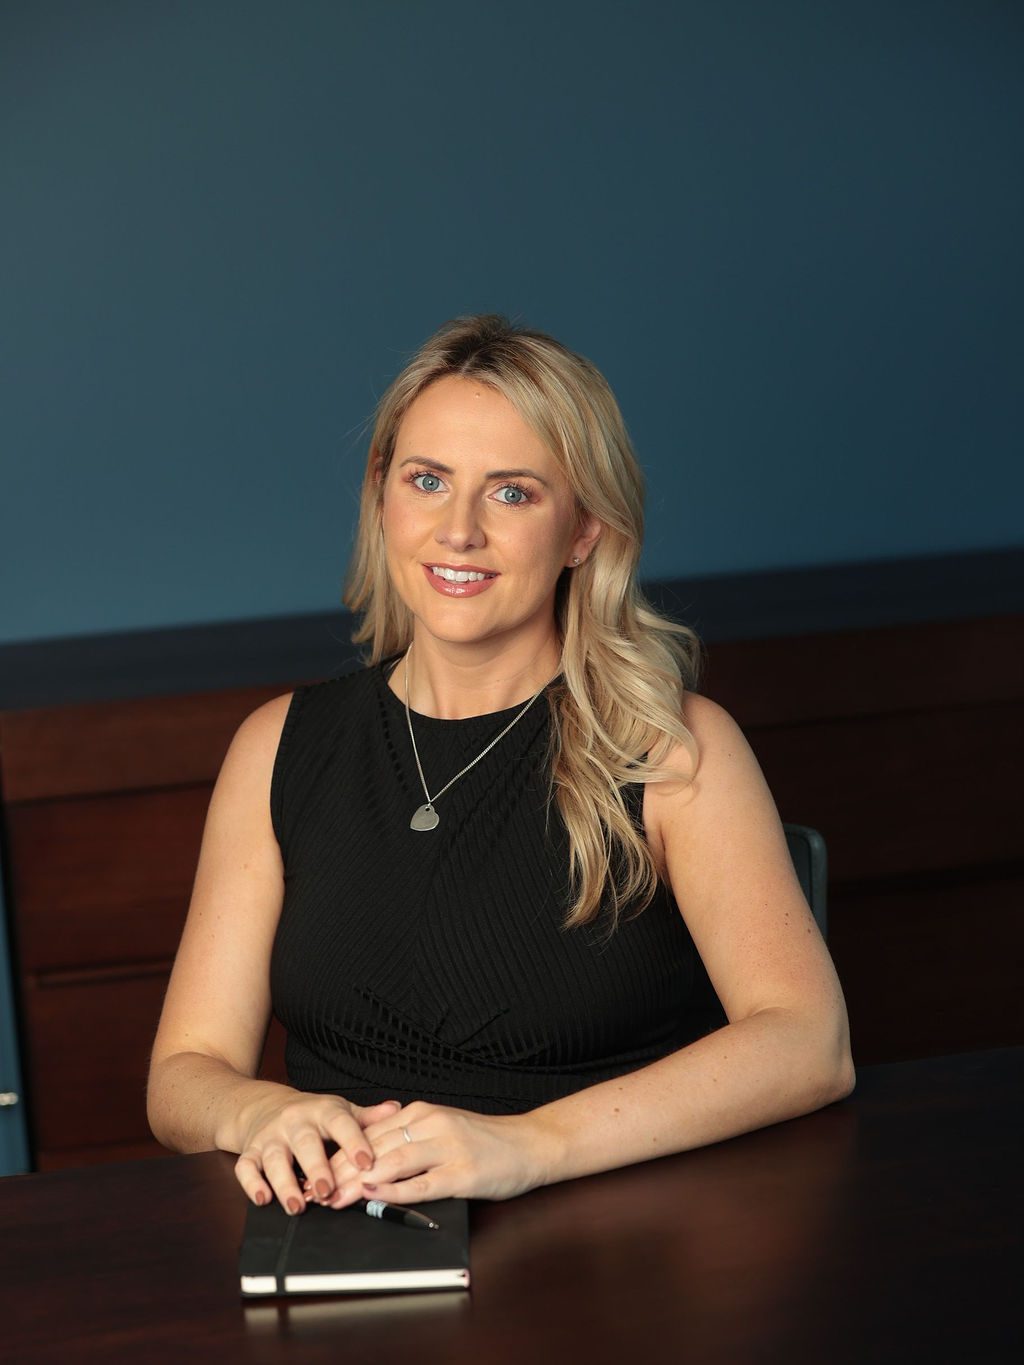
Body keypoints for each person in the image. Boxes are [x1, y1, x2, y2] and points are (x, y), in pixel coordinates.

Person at [147, 314, 854, 1216]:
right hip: (350, 1240)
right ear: (381, 495)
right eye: (428, 480)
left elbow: (809, 1041)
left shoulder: (675, 749)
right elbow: (181, 1073)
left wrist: (527, 1144)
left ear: (584, 529)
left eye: (513, 493)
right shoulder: (276, 745)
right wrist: (260, 1111)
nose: (459, 530)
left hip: (612, 1240)